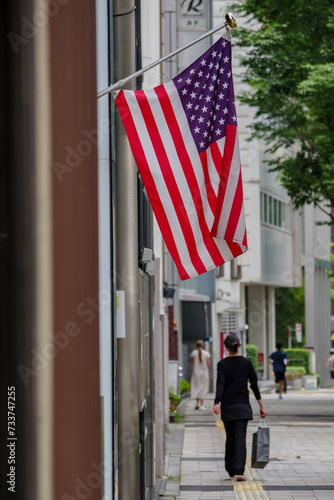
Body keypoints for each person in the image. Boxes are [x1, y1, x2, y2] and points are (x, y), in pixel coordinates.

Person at [213, 334, 266, 482]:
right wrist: (261, 406)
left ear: (226, 348)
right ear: (238, 346)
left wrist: (217, 402)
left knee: (230, 438)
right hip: (243, 407)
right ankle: (239, 471)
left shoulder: (222, 365)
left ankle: (230, 469)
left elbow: (220, 385)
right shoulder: (247, 363)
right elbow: (254, 385)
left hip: (228, 407)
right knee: (239, 438)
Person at [190, 340, 211, 410]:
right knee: (203, 388)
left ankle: (197, 404)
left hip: (196, 373)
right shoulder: (206, 353)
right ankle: (202, 405)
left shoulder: (194, 353)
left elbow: (191, 362)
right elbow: (208, 364)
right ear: (203, 345)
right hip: (204, 373)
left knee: (196, 387)